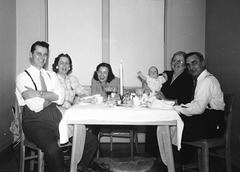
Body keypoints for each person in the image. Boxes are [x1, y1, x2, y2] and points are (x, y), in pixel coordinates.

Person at [16, 41, 66, 172]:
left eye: (45, 54)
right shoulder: (22, 77)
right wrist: (52, 96)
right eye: (38, 54)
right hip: (35, 123)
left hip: (55, 119)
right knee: (53, 150)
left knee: (90, 141)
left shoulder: (51, 74)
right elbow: (35, 106)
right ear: (30, 55)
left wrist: (38, 93)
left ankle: (79, 167)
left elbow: (61, 98)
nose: (42, 58)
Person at [173, 52, 225, 168]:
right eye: (188, 65)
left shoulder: (207, 80)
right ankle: (181, 162)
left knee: (177, 126)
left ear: (203, 63)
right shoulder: (200, 80)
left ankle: (180, 163)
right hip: (206, 119)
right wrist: (179, 108)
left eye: (194, 63)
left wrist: (177, 109)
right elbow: (196, 104)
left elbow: (198, 108)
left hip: (213, 124)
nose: (191, 67)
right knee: (177, 124)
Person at [52, 53, 98, 171]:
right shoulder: (52, 79)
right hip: (57, 117)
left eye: (67, 63)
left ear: (70, 66)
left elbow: (84, 93)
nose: (64, 65)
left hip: (71, 115)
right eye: (61, 63)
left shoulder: (73, 79)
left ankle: (79, 167)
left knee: (92, 140)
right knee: (85, 136)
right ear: (56, 66)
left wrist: (81, 98)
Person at [144, 51, 193, 158]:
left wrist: (165, 99)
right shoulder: (167, 74)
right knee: (150, 118)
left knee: (156, 123)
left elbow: (184, 100)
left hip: (177, 111)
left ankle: (162, 156)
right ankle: (152, 156)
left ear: (185, 65)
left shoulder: (187, 78)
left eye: (180, 61)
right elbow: (151, 79)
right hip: (162, 109)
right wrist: (145, 86)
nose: (176, 63)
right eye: (174, 60)